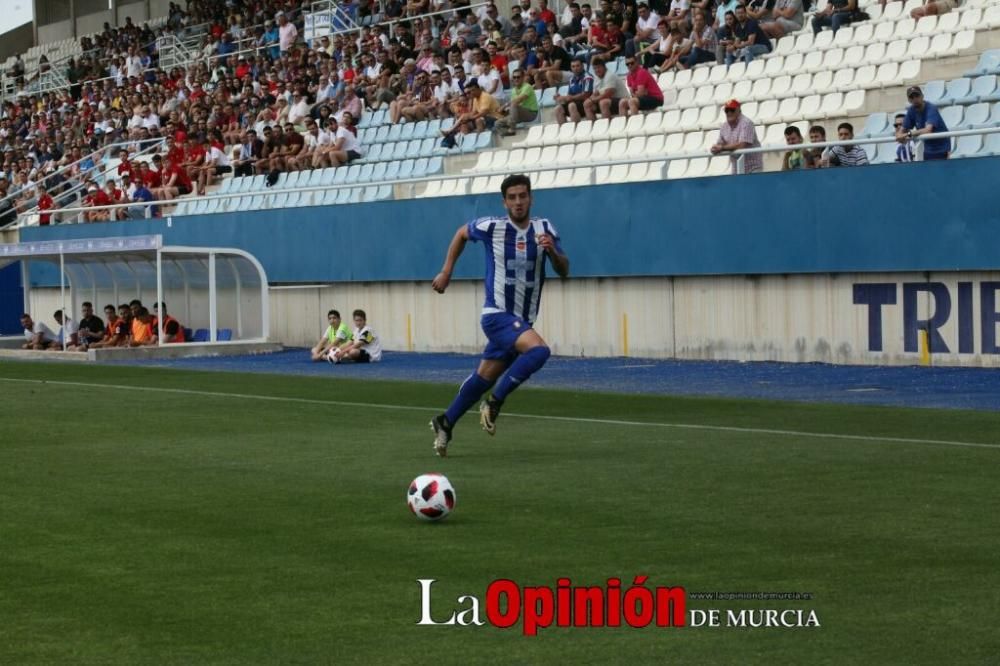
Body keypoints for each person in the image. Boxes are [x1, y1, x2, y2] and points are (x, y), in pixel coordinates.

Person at [429, 174, 570, 457]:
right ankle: (493, 403)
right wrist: (446, 271)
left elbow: (564, 270)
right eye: (512, 197)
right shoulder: (492, 226)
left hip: (521, 321)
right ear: (504, 202)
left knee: (483, 377)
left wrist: (553, 251)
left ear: (531, 198)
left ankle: (445, 422)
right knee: (540, 351)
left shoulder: (545, 228)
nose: (518, 202)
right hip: (497, 315)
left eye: (523, 196)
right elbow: (460, 234)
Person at [898, 86, 950, 161]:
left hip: (942, 148)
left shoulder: (931, 108)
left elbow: (928, 130)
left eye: (917, 96)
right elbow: (901, 132)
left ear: (922, 96)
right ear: (909, 100)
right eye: (912, 97)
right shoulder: (911, 110)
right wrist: (900, 136)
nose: (915, 99)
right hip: (928, 149)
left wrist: (907, 134)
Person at [710, 99, 763, 173]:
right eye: (727, 110)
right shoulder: (724, 126)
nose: (729, 113)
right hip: (736, 169)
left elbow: (742, 145)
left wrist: (722, 148)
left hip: (752, 169)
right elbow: (720, 143)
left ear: (739, 110)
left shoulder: (746, 123)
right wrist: (716, 147)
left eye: (732, 110)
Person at [495, 68, 540, 136]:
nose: (516, 79)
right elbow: (513, 105)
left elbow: (518, 100)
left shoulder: (527, 87)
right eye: (514, 77)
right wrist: (505, 111)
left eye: (518, 77)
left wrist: (504, 106)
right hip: (518, 115)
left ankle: (512, 129)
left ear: (523, 78)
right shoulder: (513, 90)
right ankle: (509, 138)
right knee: (497, 123)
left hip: (531, 113)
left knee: (513, 104)